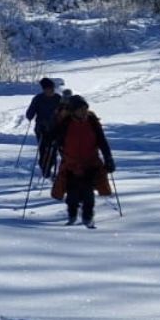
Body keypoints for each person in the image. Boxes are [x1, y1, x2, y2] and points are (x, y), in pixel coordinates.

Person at [51, 95, 114, 228]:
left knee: (88, 193)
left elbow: (102, 142)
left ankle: (87, 217)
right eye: (80, 109)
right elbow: (55, 138)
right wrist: (50, 136)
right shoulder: (65, 123)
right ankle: (72, 214)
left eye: (85, 108)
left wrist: (108, 158)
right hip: (71, 164)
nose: (84, 111)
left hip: (90, 163)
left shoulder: (92, 122)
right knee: (72, 194)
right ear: (73, 111)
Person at [25, 77, 62, 176]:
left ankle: (50, 166)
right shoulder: (38, 99)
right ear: (44, 89)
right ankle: (44, 168)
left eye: (53, 88)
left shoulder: (58, 98)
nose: (52, 90)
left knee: (53, 150)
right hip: (41, 129)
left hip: (55, 129)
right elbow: (29, 114)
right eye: (50, 88)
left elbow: (63, 112)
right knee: (43, 149)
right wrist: (30, 115)